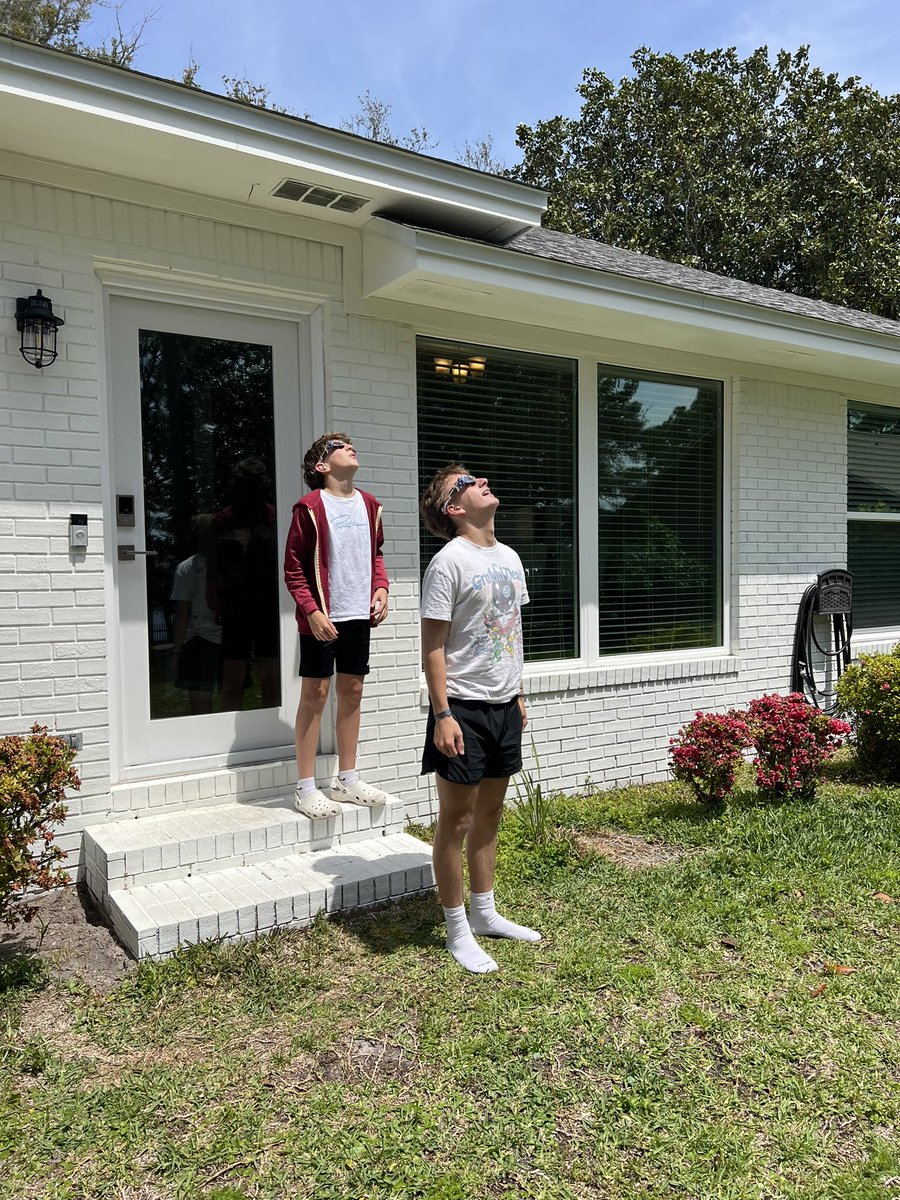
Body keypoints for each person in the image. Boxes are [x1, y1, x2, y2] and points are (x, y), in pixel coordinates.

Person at [419, 464, 541, 974]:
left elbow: (510, 633)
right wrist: (442, 713)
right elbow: (433, 648)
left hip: (503, 705)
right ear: (454, 508)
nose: (480, 481)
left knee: (490, 815)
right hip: (462, 709)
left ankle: (485, 913)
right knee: (457, 821)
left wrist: (517, 693)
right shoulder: (448, 563)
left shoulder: (509, 557)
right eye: (465, 483)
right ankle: (456, 928)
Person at [283, 433, 390, 818]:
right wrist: (311, 611)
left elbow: (376, 555)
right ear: (322, 467)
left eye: (350, 444)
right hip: (322, 617)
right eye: (338, 446)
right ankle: (306, 787)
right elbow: (293, 568)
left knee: (353, 689)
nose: (349, 447)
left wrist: (382, 587)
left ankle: (347, 778)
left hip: (358, 615)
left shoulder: (370, 505)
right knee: (315, 693)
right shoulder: (309, 507)